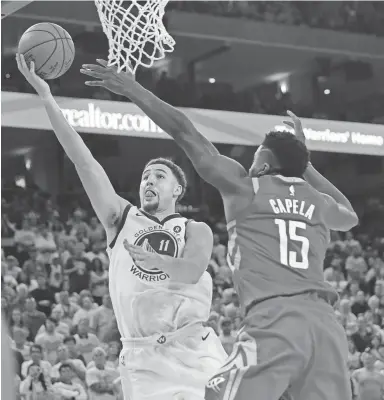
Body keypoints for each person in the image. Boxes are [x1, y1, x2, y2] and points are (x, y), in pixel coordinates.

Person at [79, 61, 359, 400]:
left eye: (255, 158)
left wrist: (133, 90)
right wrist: (307, 166)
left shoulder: (246, 188)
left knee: (213, 395)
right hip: (326, 327)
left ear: (266, 164)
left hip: (275, 321)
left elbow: (185, 132)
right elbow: (350, 216)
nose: (250, 164)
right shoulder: (318, 202)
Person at [17, 53, 227, 400]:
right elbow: (83, 161)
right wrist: (45, 96)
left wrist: (154, 258)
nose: (149, 180)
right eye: (145, 175)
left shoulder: (195, 228)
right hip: (143, 359)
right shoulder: (122, 218)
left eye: (159, 176)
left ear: (178, 189)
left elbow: (190, 272)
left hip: (194, 346)